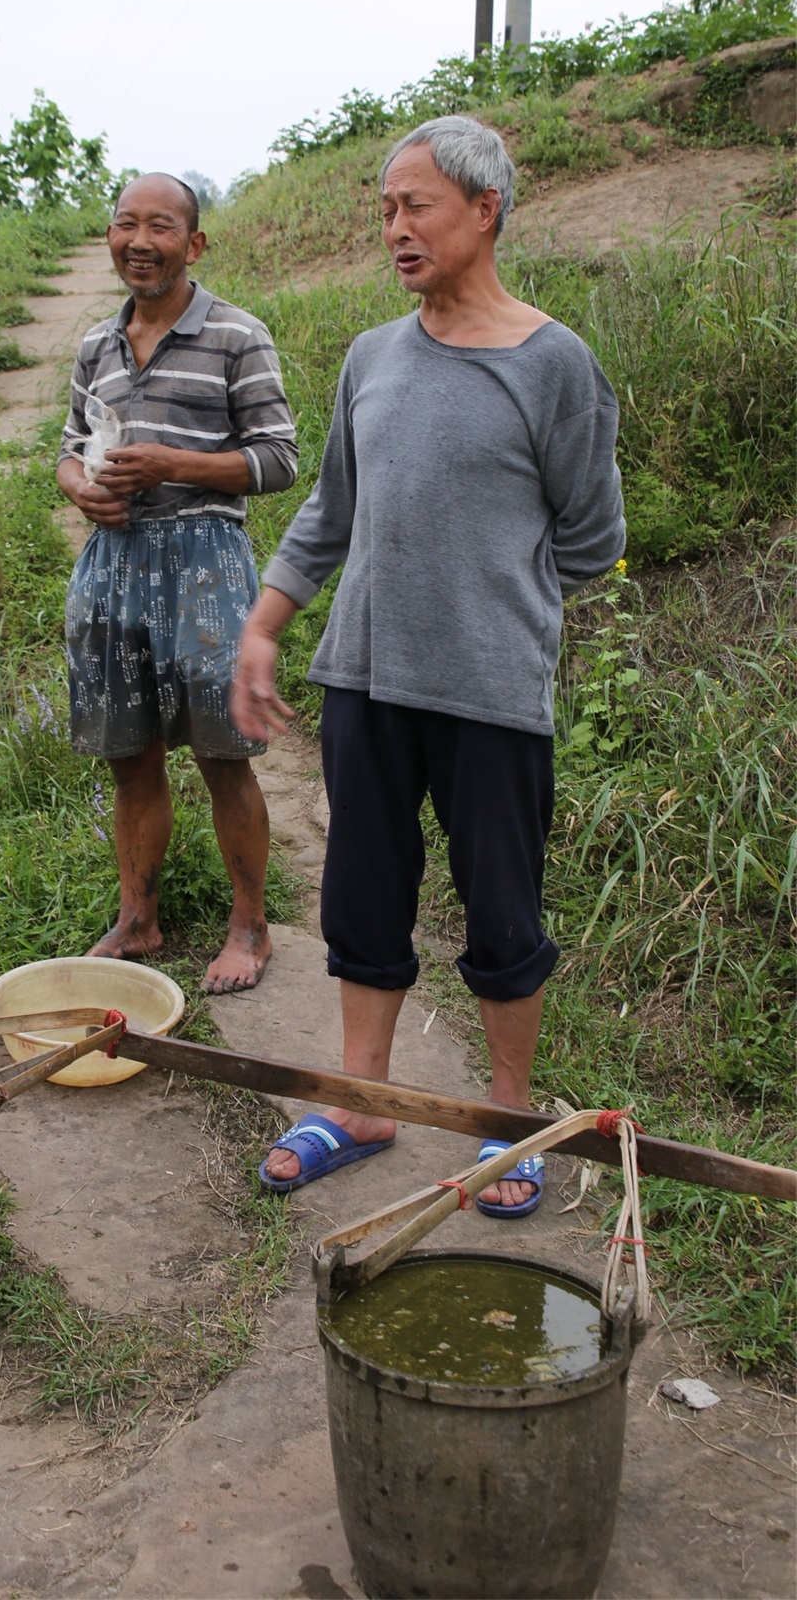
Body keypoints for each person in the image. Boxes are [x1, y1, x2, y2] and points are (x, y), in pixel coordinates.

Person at [231, 116, 625, 1212]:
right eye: (386, 210)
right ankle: (363, 1103)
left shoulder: (554, 366)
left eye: (417, 206)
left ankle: (506, 1123)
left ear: (485, 211)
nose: (395, 228)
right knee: (362, 899)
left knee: (502, 912)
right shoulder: (374, 355)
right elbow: (331, 509)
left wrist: (489, 603)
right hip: (365, 679)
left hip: (491, 694)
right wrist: (265, 625)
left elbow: (591, 539)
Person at [57, 173, 298, 993]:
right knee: (129, 757)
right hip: (112, 563)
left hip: (206, 564)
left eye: (160, 226)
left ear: (193, 244)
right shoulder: (97, 345)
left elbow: (278, 459)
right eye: (125, 224)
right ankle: (138, 919)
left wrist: (173, 464)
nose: (139, 242)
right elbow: (69, 448)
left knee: (225, 758)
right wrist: (79, 489)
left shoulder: (237, 335)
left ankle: (250, 928)